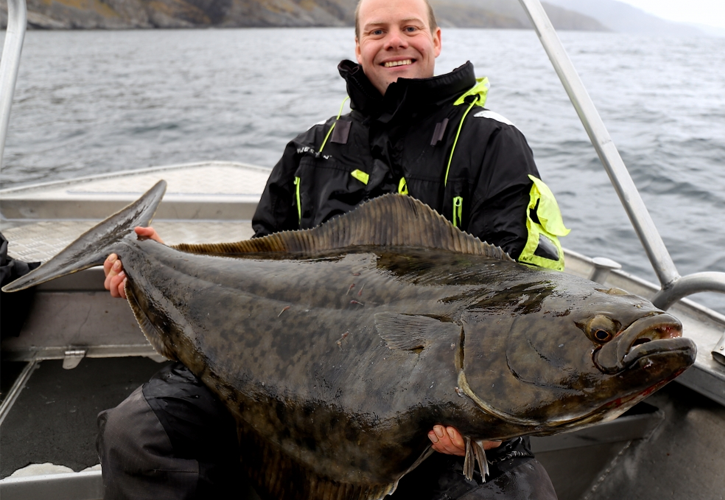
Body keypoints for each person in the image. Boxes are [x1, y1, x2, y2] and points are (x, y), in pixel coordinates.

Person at [98, 0, 566, 498]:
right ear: (359, 44)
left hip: (437, 402)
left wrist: (490, 421)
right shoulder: (309, 150)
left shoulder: (492, 142)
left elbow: (519, 299)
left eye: (410, 27)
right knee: (137, 435)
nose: (395, 41)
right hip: (290, 380)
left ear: (437, 39)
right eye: (377, 30)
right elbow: (255, 274)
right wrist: (158, 266)